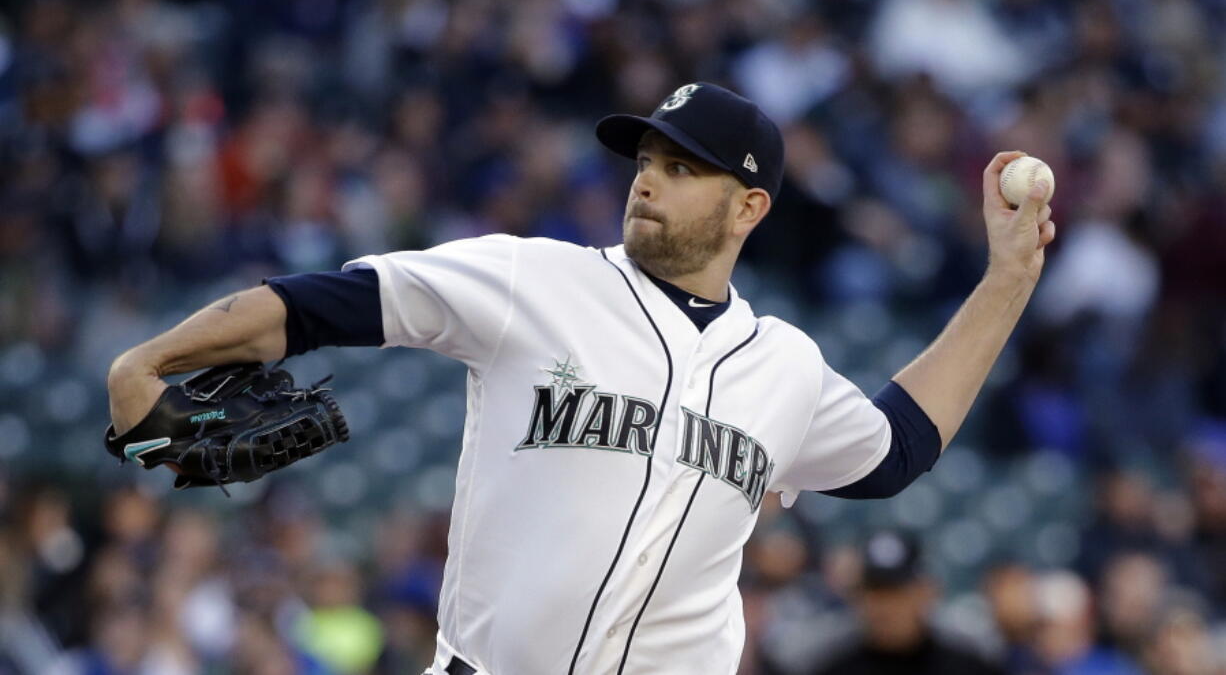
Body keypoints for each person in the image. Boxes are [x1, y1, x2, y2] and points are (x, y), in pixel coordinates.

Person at [106, 82, 1056, 674]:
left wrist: (1009, 279)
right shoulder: (537, 279)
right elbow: (325, 303)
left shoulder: (787, 366)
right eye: (647, 158)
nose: (649, 179)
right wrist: (147, 360)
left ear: (748, 207)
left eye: (684, 168)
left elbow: (898, 450)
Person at [811, 530, 1006, 675]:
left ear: (925, 592)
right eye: (874, 590)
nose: (884, 606)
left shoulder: (969, 668)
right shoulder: (831, 668)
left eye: (896, 591)